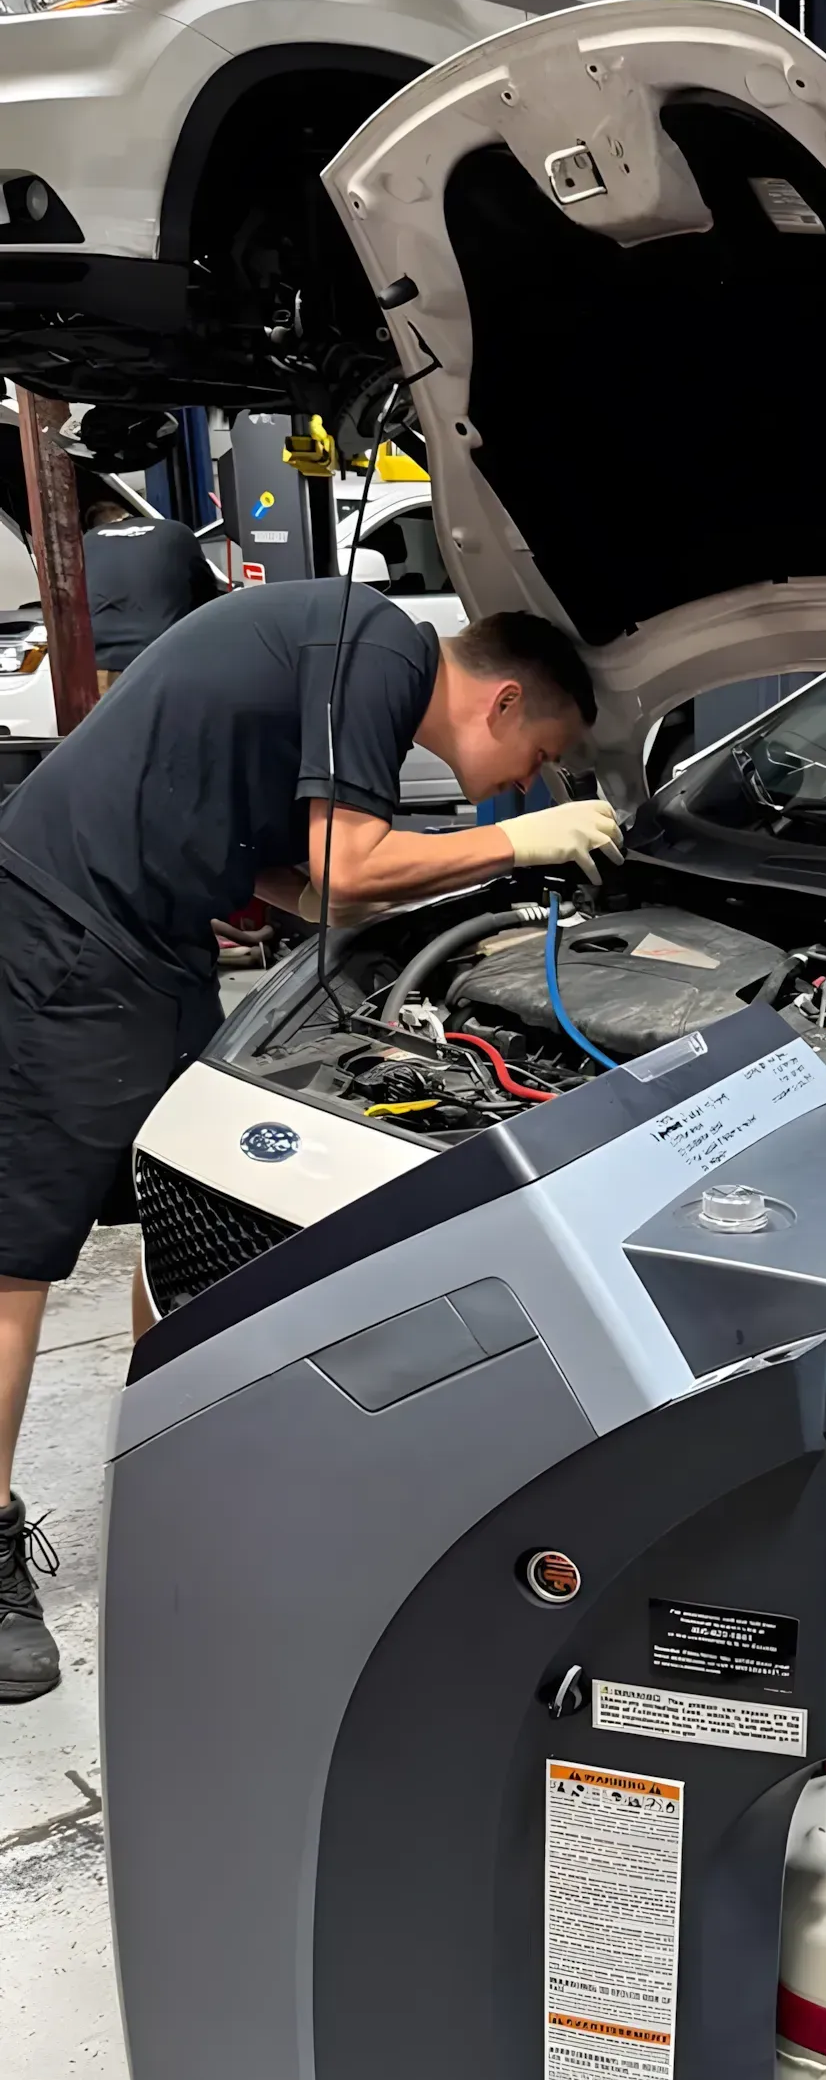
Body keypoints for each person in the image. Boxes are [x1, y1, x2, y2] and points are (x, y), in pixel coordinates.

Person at [0, 578, 618, 1700]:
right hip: (65, 936)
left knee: (193, 1189)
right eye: (538, 758)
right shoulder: (377, 645)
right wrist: (516, 839)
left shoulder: (355, 661)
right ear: (502, 701)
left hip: (149, 942)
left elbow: (295, 883)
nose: (523, 784)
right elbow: (346, 866)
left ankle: (184, 1467)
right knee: (15, 1261)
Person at [82, 497, 220, 694]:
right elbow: (207, 594)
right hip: (169, 659)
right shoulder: (176, 530)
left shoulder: (86, 543)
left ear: (94, 528)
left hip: (106, 664)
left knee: (115, 714)